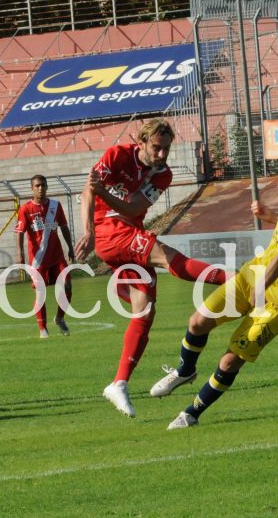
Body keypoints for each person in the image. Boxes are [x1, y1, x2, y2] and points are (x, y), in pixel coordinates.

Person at [152, 139, 278, 429]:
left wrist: (261, 289)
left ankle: (191, 413)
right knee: (198, 322)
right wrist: (271, 217)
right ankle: (185, 371)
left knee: (231, 359)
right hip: (254, 273)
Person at [75, 118, 228, 417]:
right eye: (156, 147)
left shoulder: (163, 174)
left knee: (144, 309)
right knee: (168, 258)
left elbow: (133, 207)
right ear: (141, 142)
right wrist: (89, 231)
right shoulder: (117, 155)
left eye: (166, 149)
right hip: (110, 233)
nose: (161, 154)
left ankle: (119, 383)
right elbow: (87, 192)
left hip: (129, 230)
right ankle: (234, 278)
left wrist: (103, 194)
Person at [15, 174, 75, 338]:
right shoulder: (25, 209)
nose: (40, 188)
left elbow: (64, 227)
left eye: (43, 185)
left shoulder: (56, 205)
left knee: (67, 285)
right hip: (38, 259)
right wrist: (20, 253)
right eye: (37, 186)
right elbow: (19, 232)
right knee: (40, 292)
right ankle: (43, 329)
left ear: (47, 187)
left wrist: (70, 248)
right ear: (32, 188)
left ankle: (60, 318)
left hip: (57, 256)